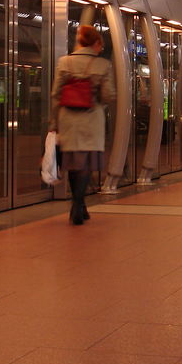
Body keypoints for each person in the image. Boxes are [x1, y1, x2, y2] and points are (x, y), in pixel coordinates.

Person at [49, 24, 116, 225]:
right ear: (95, 43)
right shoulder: (102, 65)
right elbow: (108, 95)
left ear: (79, 42)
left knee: (72, 163)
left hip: (67, 120)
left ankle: (79, 205)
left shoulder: (64, 62)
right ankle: (77, 205)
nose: (100, 49)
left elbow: (55, 95)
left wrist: (54, 121)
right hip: (91, 119)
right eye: (100, 45)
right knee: (86, 164)